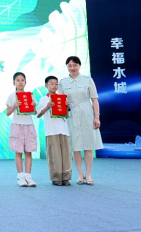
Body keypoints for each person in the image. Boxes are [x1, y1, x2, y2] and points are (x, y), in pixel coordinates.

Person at [58, 56, 102, 185]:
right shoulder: (63, 82)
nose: (72, 68)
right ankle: (80, 174)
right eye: (70, 66)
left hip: (87, 113)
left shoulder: (88, 80)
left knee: (88, 145)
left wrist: (97, 117)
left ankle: (88, 174)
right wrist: (64, 105)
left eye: (75, 65)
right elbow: (60, 101)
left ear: (79, 66)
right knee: (75, 146)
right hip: (72, 115)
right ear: (67, 67)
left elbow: (94, 100)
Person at [37, 76, 72, 186]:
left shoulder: (62, 98)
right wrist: (47, 107)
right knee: (54, 155)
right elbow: (38, 114)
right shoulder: (44, 99)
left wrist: (68, 107)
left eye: (56, 84)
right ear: (46, 85)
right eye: (51, 84)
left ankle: (66, 177)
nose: (54, 86)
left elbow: (67, 115)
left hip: (63, 129)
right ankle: (56, 177)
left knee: (66, 155)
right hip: (51, 130)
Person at [5, 72, 38, 187]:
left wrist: (34, 106)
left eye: (22, 80)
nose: (20, 82)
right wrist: (14, 106)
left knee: (28, 151)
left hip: (29, 125)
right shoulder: (12, 96)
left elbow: (35, 112)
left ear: (25, 82)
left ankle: (28, 176)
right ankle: (20, 177)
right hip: (17, 125)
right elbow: (7, 113)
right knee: (18, 151)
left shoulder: (30, 95)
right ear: (14, 82)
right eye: (18, 80)